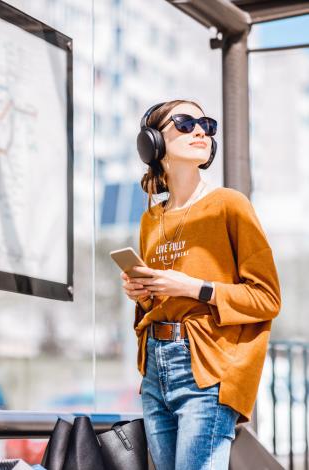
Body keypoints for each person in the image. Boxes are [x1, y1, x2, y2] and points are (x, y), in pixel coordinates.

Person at [121, 99, 281, 470]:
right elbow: (162, 299)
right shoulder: (150, 219)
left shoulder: (229, 205)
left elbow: (267, 298)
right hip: (154, 372)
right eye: (186, 122)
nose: (200, 131)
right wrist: (141, 295)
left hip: (206, 369)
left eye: (207, 125)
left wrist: (193, 286)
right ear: (153, 142)